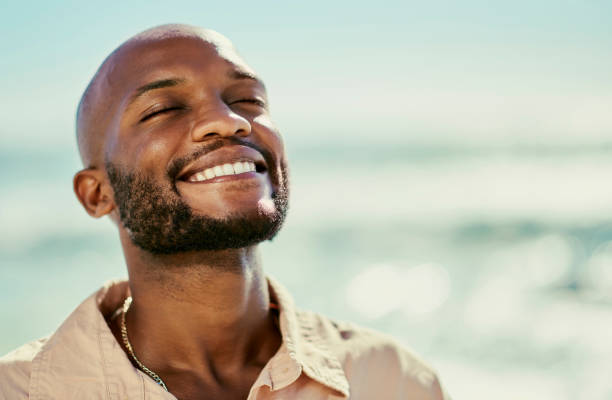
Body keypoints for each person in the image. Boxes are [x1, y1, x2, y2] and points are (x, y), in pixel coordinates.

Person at [0, 24, 450, 400]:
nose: (230, 120)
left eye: (249, 100)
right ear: (97, 194)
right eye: (164, 108)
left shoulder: (394, 380)